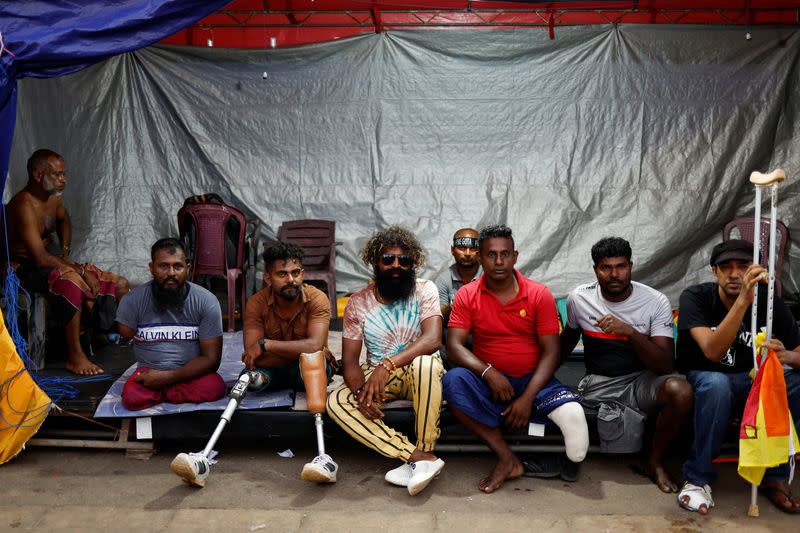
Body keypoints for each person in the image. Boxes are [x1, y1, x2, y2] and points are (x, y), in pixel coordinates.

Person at [442, 224, 589, 494]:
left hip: (534, 381)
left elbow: (552, 352)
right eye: (491, 255)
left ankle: (519, 424)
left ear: (515, 256)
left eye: (505, 254)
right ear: (480, 257)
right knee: (453, 382)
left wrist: (527, 398)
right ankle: (507, 459)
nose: (499, 261)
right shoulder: (467, 294)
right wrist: (488, 372)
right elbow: (453, 346)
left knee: (576, 427)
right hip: (489, 384)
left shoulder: (538, 293)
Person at [676, 239, 800, 515]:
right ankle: (698, 478)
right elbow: (712, 351)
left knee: (793, 384)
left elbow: (797, 353)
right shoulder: (695, 297)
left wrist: (786, 356)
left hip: (751, 381)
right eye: (726, 267)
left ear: (755, 269)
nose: (734, 274)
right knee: (717, 385)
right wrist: (744, 301)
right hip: (708, 377)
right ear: (714, 271)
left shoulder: (770, 302)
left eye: (743, 266)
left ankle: (775, 474)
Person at [561, 237, 692, 493]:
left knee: (681, 390)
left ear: (631, 265)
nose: (614, 274)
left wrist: (630, 333)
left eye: (620, 266)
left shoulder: (655, 301)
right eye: (605, 267)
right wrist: (539, 379)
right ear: (595, 269)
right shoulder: (579, 298)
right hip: (599, 383)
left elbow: (666, 364)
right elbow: (566, 342)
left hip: (641, 380)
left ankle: (654, 462)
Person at [326, 225, 446, 496]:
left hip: (421, 375)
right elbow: (351, 364)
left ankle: (426, 448)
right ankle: (417, 457)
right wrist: (360, 393)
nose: (396, 265)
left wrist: (387, 364)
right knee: (336, 402)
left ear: (413, 263)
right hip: (380, 377)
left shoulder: (425, 289)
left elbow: (432, 340)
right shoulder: (357, 303)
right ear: (375, 263)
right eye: (388, 259)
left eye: (404, 260)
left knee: (424, 362)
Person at [4, 149, 129, 375]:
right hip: (25, 267)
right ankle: (74, 355)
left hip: (48, 260)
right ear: (38, 175)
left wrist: (65, 252)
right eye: (57, 174)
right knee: (72, 281)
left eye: (65, 174)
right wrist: (77, 269)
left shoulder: (54, 200)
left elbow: (64, 220)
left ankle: (100, 330)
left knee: (118, 284)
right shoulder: (23, 204)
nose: (64, 179)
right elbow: (40, 258)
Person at [240, 242, 337, 483]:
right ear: (268, 278)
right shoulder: (256, 303)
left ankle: (322, 455)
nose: (290, 279)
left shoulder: (317, 299)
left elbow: (314, 346)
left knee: (316, 366)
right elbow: (252, 353)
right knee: (251, 382)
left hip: (303, 367)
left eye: (296, 273)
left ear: (303, 274)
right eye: (282, 274)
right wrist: (299, 348)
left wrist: (268, 345)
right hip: (271, 370)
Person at [116, 238, 225, 412]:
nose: (171, 273)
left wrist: (167, 378)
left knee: (215, 387)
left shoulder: (206, 301)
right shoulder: (133, 300)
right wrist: (156, 377)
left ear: (187, 268)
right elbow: (124, 330)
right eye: (163, 266)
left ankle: (162, 393)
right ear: (152, 267)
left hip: (189, 373)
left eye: (178, 266)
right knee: (132, 398)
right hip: (149, 372)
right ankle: (173, 393)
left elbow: (211, 360)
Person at [434, 228, 481, 363]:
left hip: (485, 336)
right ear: (452, 250)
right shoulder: (444, 279)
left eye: (473, 248)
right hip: (456, 338)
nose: (467, 253)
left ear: (480, 251)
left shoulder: (488, 274)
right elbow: (438, 317)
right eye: (461, 248)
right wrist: (454, 307)